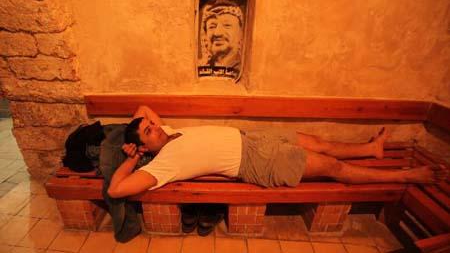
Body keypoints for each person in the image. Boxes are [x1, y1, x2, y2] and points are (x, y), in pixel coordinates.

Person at [107, 105, 448, 198]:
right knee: (331, 166)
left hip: (255, 138)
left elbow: (142, 107)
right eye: (147, 131)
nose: (153, 126)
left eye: (150, 125)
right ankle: (407, 175)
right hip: (256, 161)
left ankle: (370, 149)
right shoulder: (162, 164)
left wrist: (142, 132)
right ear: (143, 146)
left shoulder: (165, 133)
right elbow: (116, 189)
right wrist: (133, 157)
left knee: (320, 142)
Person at [198, 0, 244, 79]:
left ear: (240, 34)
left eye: (227, 25)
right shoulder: (201, 66)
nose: (217, 33)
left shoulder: (244, 68)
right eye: (212, 26)